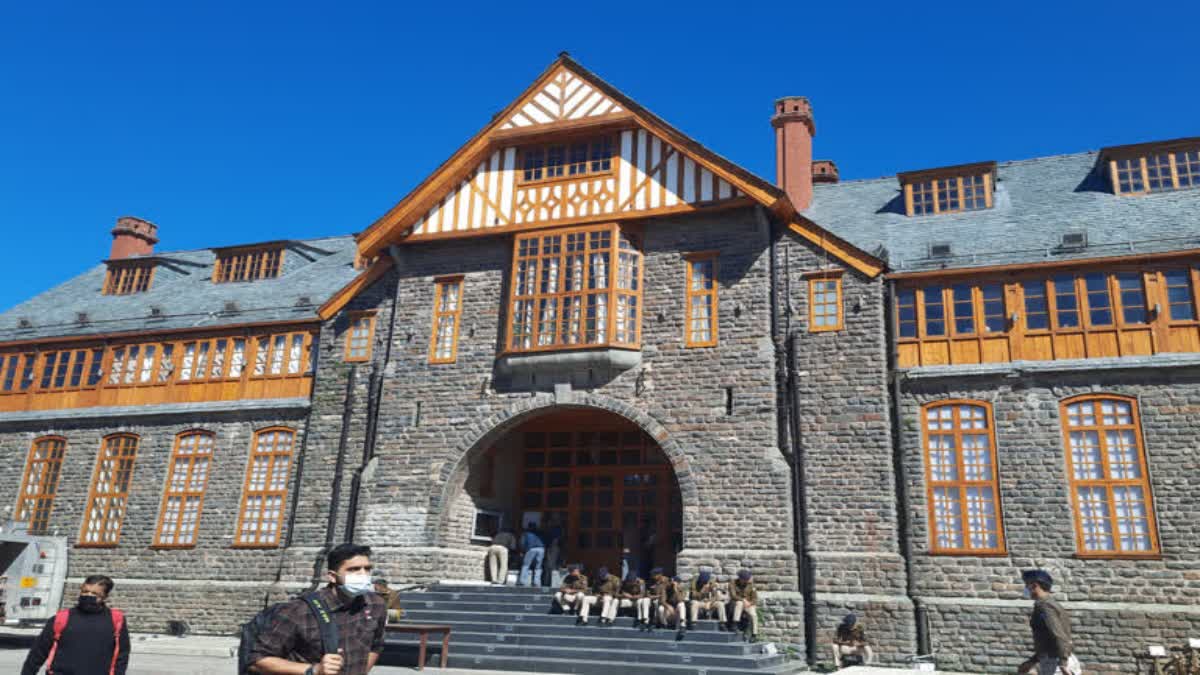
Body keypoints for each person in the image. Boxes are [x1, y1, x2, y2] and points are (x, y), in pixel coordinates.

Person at [249, 543, 387, 675]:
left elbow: (376, 645)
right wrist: (314, 670)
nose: (363, 575)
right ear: (332, 576)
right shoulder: (299, 610)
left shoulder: (376, 604)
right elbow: (257, 660)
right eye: (353, 569)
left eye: (367, 569)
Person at [21, 574, 130, 675]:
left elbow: (122, 655)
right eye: (85, 591)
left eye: (95, 594)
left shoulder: (116, 620)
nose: (88, 596)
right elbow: (37, 653)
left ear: (105, 597)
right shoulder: (61, 618)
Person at [1017, 570, 1082, 675]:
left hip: (1057, 664)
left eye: (1026, 585)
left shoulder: (1045, 607)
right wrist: (1033, 661)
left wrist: (1063, 663)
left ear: (1034, 586)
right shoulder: (1047, 604)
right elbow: (1047, 640)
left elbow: (1059, 635)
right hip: (1054, 661)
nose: (1025, 589)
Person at [728, 569, 759, 642]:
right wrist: (743, 600)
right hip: (737, 603)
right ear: (741, 579)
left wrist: (749, 604)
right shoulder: (733, 583)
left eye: (747, 580)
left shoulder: (751, 585)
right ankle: (735, 624)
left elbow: (755, 599)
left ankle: (754, 634)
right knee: (739, 603)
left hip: (749, 604)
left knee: (753, 615)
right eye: (745, 579)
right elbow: (733, 595)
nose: (746, 581)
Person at [657, 574, 689, 639]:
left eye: (677, 582)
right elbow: (662, 601)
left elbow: (680, 600)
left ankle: (682, 626)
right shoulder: (666, 588)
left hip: (677, 615)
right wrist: (668, 606)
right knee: (661, 608)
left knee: (681, 604)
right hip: (669, 613)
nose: (671, 583)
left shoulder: (682, 589)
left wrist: (675, 589)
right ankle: (664, 625)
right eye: (671, 582)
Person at [518, 523, 545, 587]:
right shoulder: (540, 533)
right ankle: (537, 582)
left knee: (526, 565)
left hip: (531, 549)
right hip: (541, 549)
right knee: (538, 566)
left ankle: (522, 581)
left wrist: (522, 551)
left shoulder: (526, 533)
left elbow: (522, 543)